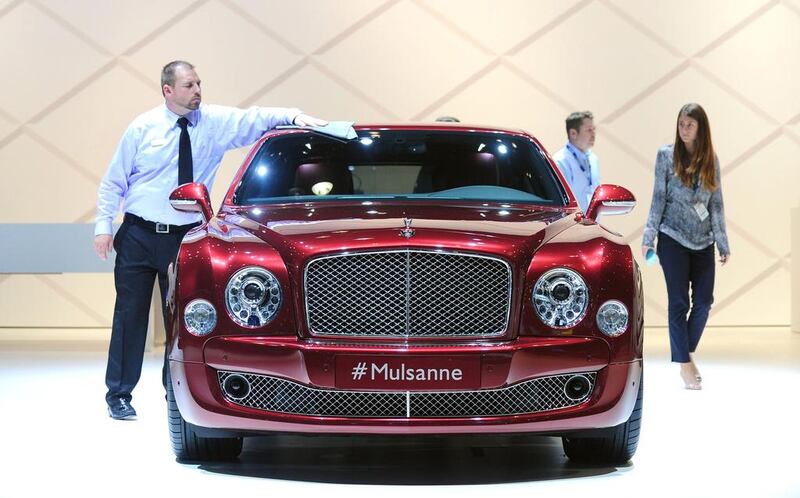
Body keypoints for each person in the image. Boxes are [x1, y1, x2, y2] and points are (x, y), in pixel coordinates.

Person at [94, 60, 327, 420]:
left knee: (182, 320)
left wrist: (295, 117)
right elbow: (114, 181)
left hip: (185, 238)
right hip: (139, 234)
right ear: (167, 90)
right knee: (130, 316)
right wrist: (103, 226)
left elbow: (257, 118)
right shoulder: (142, 128)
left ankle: (174, 392)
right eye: (189, 85)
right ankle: (119, 395)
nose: (197, 91)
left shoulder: (214, 123)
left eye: (199, 83)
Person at [642, 103, 730, 390]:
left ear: (701, 128)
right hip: (672, 237)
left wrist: (722, 242)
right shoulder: (666, 156)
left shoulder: (710, 160)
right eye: (681, 123)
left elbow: (716, 204)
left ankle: (685, 352)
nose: (684, 129)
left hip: (703, 240)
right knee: (679, 303)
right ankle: (684, 365)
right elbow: (657, 198)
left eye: (690, 124)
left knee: (704, 302)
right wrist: (648, 237)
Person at [552, 111, 600, 212]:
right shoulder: (560, 161)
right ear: (573, 133)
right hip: (573, 224)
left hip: (593, 223)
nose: (593, 134)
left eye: (594, 129)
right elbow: (562, 203)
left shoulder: (593, 159)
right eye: (589, 130)